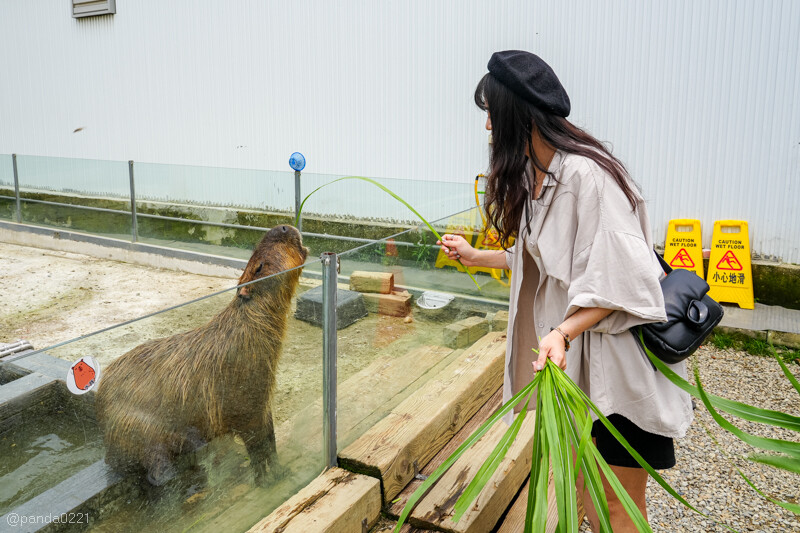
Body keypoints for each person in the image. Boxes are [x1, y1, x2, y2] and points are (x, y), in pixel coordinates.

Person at [438, 50, 692, 532]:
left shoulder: (586, 178)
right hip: (577, 368)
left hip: (616, 371)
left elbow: (623, 275)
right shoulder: (540, 177)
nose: (487, 124)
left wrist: (564, 330)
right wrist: (476, 256)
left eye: (491, 111)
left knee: (615, 506)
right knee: (583, 493)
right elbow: (544, 261)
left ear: (516, 114)